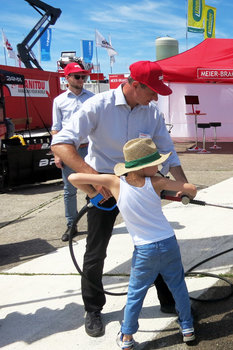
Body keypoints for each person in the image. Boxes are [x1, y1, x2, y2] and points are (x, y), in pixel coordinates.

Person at [52, 60, 188, 337]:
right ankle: (93, 308)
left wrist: (182, 185)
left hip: (140, 183)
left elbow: (168, 152)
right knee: (96, 249)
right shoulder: (96, 106)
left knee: (156, 239)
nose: (157, 97)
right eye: (152, 90)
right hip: (105, 182)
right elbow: (61, 144)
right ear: (135, 85)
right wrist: (93, 180)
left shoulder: (151, 113)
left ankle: (168, 301)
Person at [68, 138, 197, 348]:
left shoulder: (113, 182)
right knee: (178, 287)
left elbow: (73, 176)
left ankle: (127, 337)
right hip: (168, 243)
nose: (158, 166)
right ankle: (188, 328)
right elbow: (191, 188)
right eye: (155, 163)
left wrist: (93, 192)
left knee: (136, 293)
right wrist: (184, 192)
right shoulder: (158, 182)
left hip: (145, 249)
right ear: (144, 166)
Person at [51, 62, 94, 241]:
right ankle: (71, 224)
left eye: (83, 76)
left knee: (92, 187)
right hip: (69, 151)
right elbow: (56, 128)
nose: (81, 79)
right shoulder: (59, 101)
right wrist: (57, 154)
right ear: (67, 78)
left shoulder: (92, 98)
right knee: (70, 190)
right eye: (77, 76)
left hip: (89, 149)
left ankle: (94, 222)